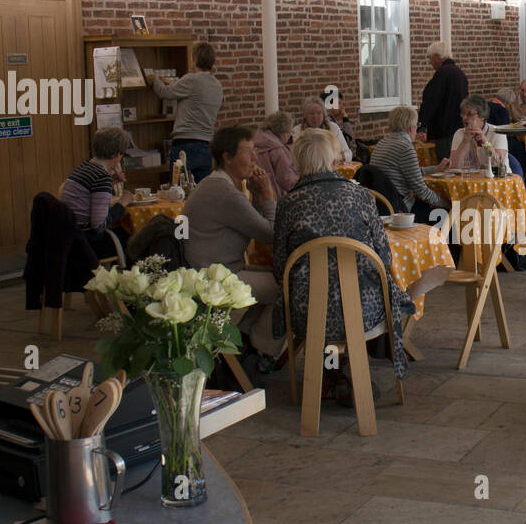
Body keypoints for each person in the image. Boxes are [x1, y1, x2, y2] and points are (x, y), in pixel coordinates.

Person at [272, 129, 416, 400]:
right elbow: (384, 258)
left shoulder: (288, 204)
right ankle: (347, 372)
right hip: (364, 307)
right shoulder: (360, 196)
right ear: (335, 160)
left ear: (298, 162)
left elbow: (280, 268)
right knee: (379, 286)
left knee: (315, 297)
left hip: (307, 310)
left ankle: (333, 374)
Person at [183, 125, 278, 366]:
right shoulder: (225, 192)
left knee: (281, 277)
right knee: (291, 285)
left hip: (216, 270)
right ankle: (260, 350)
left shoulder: (216, 184)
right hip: (215, 278)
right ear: (227, 157)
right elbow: (270, 233)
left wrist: (257, 198)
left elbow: (251, 225)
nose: (254, 158)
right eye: (248, 152)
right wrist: (267, 196)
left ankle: (243, 344)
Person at [150, 41, 222, 183]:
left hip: (185, 146)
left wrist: (155, 80)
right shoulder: (216, 85)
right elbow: (192, 94)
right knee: (201, 194)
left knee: (181, 191)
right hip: (206, 146)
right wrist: (170, 82)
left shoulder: (191, 79)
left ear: (194, 59)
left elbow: (166, 93)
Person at [60, 127, 132, 260]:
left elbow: (88, 196)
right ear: (117, 154)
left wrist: (110, 183)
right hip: (87, 244)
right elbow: (99, 226)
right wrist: (123, 203)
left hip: (69, 238)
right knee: (136, 237)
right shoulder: (101, 176)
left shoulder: (86, 167)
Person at [370, 104, 448, 223]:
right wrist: (447, 203)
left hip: (381, 206)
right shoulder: (405, 148)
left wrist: (436, 169)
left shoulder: (382, 143)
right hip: (401, 209)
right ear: (411, 128)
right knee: (446, 215)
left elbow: (408, 172)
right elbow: (422, 191)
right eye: (417, 125)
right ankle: (441, 242)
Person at [420, 40, 469, 160]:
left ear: (437, 57)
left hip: (444, 130)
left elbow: (431, 102)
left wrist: (421, 125)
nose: (430, 62)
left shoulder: (442, 74)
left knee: (446, 164)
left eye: (430, 57)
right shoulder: (460, 73)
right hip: (458, 128)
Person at [444, 94, 509, 171]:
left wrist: (484, 141)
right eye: (463, 113)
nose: (464, 117)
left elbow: (497, 163)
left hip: (498, 179)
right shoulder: (459, 133)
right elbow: (453, 166)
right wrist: (465, 142)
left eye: (469, 114)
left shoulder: (498, 132)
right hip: (471, 180)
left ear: (482, 116)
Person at [253, 110, 300, 195]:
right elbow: (287, 181)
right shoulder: (278, 149)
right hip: (275, 196)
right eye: (290, 131)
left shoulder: (256, 141)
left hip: (257, 194)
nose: (290, 135)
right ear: (284, 132)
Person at [295, 96, 353, 163]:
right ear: (305, 116)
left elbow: (349, 154)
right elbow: (294, 158)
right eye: (311, 113)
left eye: (319, 113)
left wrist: (341, 156)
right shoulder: (297, 131)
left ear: (323, 115)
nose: (315, 117)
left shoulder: (332, 127)